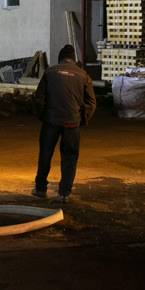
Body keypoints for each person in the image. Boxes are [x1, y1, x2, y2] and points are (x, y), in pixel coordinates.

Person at [31, 44, 96, 203]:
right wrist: (81, 119)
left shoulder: (50, 72)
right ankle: (64, 193)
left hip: (51, 122)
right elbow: (91, 102)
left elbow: (39, 98)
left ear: (60, 58)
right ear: (73, 60)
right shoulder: (83, 75)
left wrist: (43, 116)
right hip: (72, 124)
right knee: (69, 158)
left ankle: (40, 189)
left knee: (45, 155)